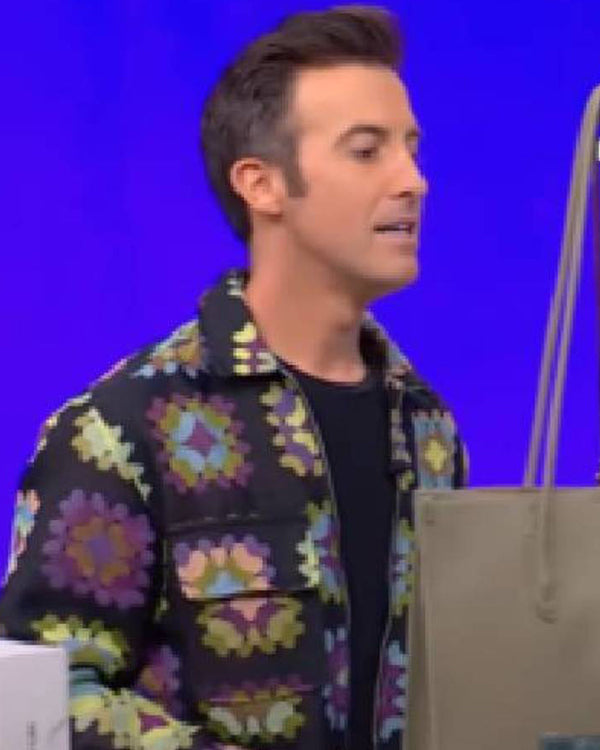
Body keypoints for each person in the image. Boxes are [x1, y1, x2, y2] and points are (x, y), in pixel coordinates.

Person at [0, 5, 467, 749]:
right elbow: (44, 698)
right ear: (262, 184)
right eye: (366, 150)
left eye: (412, 149)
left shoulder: (425, 428)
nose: (414, 182)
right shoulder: (120, 430)